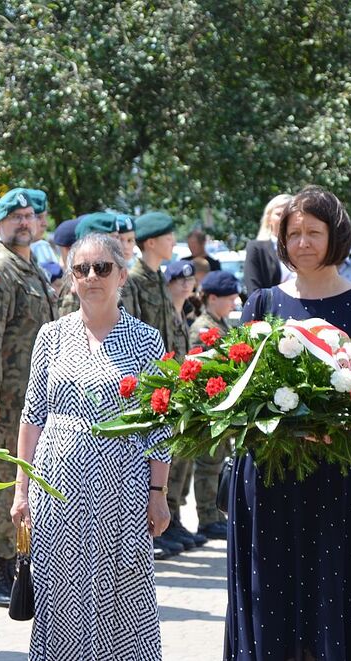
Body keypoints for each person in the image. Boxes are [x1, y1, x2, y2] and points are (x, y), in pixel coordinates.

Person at [226, 186, 351, 660]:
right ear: (281, 242)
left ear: (336, 236)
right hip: (268, 478)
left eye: (314, 232)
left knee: (333, 592)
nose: (303, 242)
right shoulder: (262, 304)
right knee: (269, 596)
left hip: (336, 480)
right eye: (293, 234)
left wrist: (340, 427)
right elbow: (240, 393)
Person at [10, 232, 172, 661]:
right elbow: (32, 417)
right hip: (56, 492)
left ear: (121, 274)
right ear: (71, 277)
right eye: (82, 269)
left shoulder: (146, 340)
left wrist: (159, 495)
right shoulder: (51, 335)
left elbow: (158, 427)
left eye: (102, 268)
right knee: (60, 593)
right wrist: (21, 490)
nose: (92, 276)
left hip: (122, 490)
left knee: (123, 594)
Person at [0, 187, 57, 607]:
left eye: (29, 215)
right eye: (14, 216)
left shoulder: (28, 267)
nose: (24, 222)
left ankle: (15, 564)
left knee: (18, 485)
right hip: (2, 401)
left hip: (30, 400)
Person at [120, 212, 198, 559]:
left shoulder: (156, 277)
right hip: (148, 381)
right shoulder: (135, 279)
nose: (173, 243)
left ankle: (170, 518)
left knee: (170, 449)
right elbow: (133, 331)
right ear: (151, 242)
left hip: (167, 376)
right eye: (168, 237)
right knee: (150, 451)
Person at [187, 270, 242, 541]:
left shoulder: (220, 324)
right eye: (229, 298)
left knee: (219, 461)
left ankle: (216, 514)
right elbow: (201, 371)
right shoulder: (203, 328)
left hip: (223, 406)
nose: (234, 303)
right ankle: (207, 517)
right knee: (209, 464)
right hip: (210, 407)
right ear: (212, 298)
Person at [160, 260, 208, 552]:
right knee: (171, 460)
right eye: (178, 280)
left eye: (189, 281)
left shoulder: (183, 314)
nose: (185, 285)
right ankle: (166, 522)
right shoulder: (167, 311)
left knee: (181, 463)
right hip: (167, 393)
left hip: (181, 393)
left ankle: (174, 517)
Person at [243, 193, 293, 295]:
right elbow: (253, 290)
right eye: (279, 214)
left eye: (288, 214)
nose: (283, 218)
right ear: (269, 218)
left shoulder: (304, 247)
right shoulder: (257, 249)